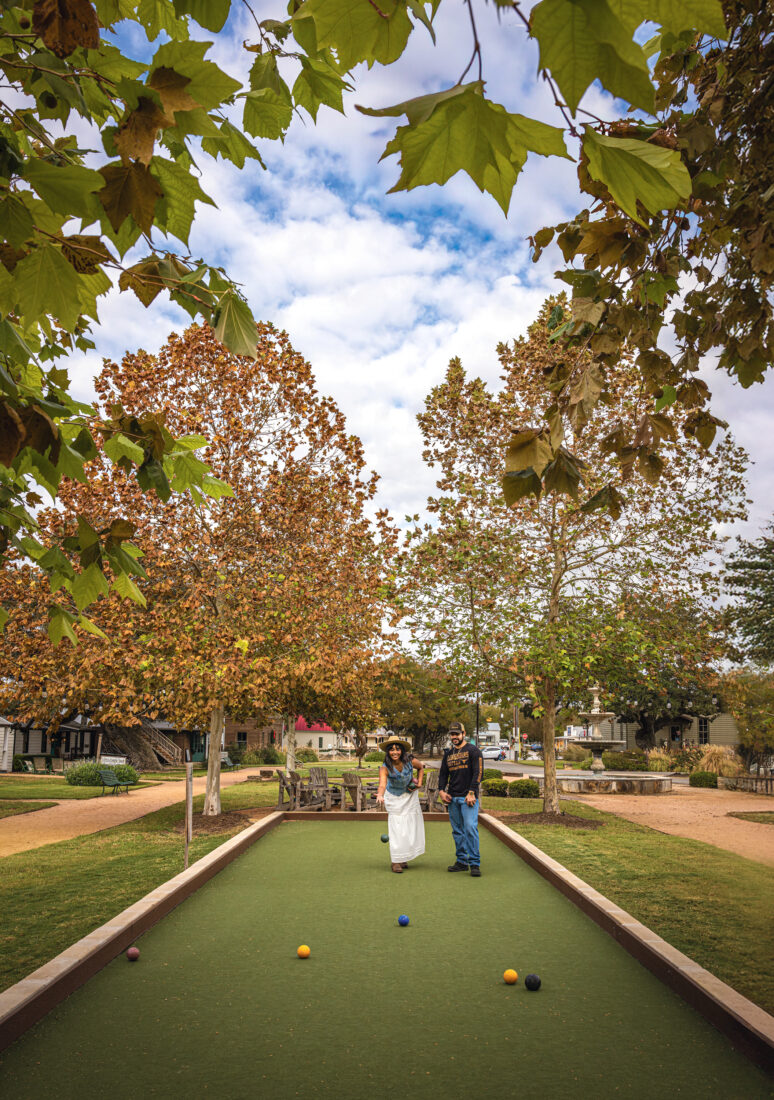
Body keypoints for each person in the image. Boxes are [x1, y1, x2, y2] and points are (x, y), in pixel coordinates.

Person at [438, 721, 483, 877]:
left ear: (464, 734)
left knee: (470, 828)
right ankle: (462, 861)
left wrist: (472, 792)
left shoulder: (473, 751)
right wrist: (441, 791)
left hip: (468, 798)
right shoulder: (448, 754)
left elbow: (478, 772)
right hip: (453, 798)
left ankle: (474, 863)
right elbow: (443, 774)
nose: (454, 736)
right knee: (457, 831)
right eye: (452, 734)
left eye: (457, 734)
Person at [375, 734, 425, 873]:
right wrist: (380, 794)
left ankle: (403, 858)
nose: (395, 752)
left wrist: (419, 783)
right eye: (392, 749)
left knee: (409, 828)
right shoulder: (384, 767)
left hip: (409, 796)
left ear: (402, 750)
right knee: (397, 828)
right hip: (394, 798)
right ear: (388, 752)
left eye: (397, 749)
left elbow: (421, 768)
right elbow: (382, 784)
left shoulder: (410, 760)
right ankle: (395, 861)